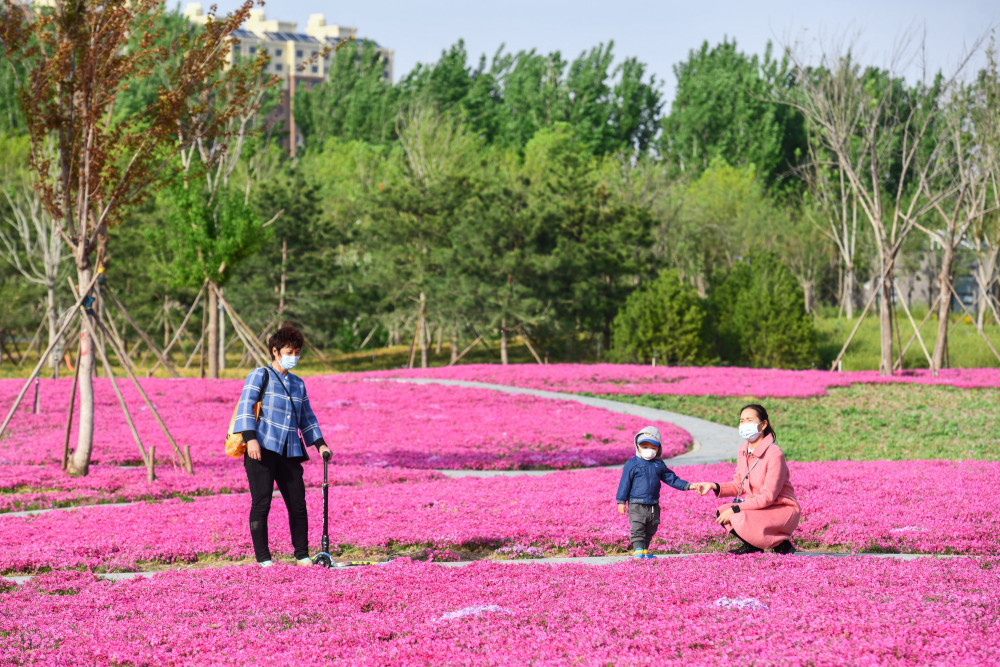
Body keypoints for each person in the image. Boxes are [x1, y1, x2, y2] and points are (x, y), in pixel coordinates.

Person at [233, 325, 330, 567]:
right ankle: (264, 558)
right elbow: (246, 406)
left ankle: (302, 554)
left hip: (291, 451)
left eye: (297, 352)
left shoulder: (298, 384)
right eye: (289, 351)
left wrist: (320, 445)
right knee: (262, 503)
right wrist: (250, 439)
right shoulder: (259, 375)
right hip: (262, 449)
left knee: (298, 504)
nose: (294, 357)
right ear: (275, 352)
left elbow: (307, 417)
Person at [689, 404, 800, 555]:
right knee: (723, 511)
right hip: (759, 508)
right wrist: (713, 486)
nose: (744, 424)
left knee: (734, 513)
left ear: (763, 424)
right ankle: (753, 546)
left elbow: (767, 497)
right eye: (742, 421)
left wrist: (735, 509)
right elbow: (739, 484)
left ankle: (781, 544)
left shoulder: (774, 454)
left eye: (749, 420)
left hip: (780, 509)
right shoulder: (743, 449)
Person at [616, 425, 702, 559]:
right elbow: (624, 483)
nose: (648, 450)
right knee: (637, 527)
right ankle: (638, 550)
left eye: (653, 447)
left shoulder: (659, 464)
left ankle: (644, 550)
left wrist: (688, 486)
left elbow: (671, 479)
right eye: (644, 447)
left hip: (653, 505)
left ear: (658, 449)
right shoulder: (632, 464)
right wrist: (621, 501)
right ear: (637, 447)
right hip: (636, 504)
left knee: (651, 527)